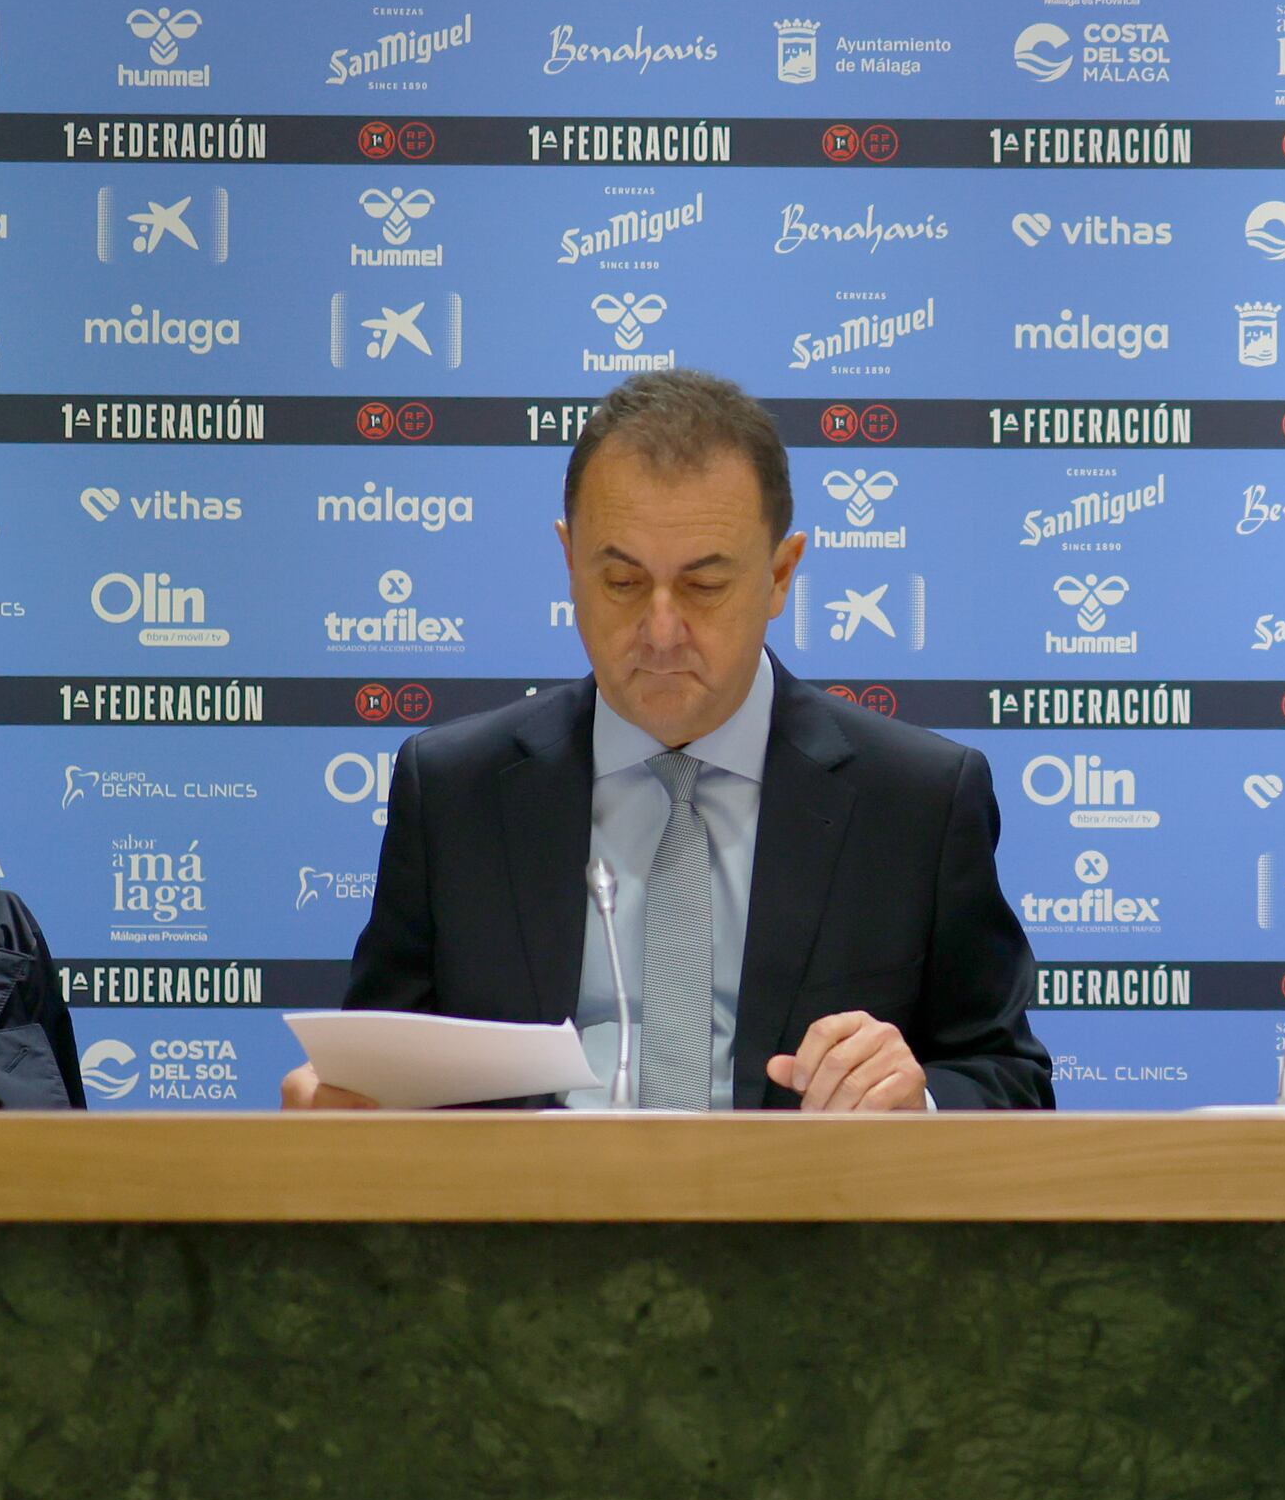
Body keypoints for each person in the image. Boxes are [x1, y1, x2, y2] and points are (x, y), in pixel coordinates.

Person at [285, 369, 1048, 1111]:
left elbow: (1008, 1078)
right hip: (524, 1228)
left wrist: (916, 1103)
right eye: (620, 582)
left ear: (782, 575)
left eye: (703, 585)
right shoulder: (454, 792)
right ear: (568, 561)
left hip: (802, 1230)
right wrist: (344, 1108)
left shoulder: (916, 800)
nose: (659, 631)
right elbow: (375, 1078)